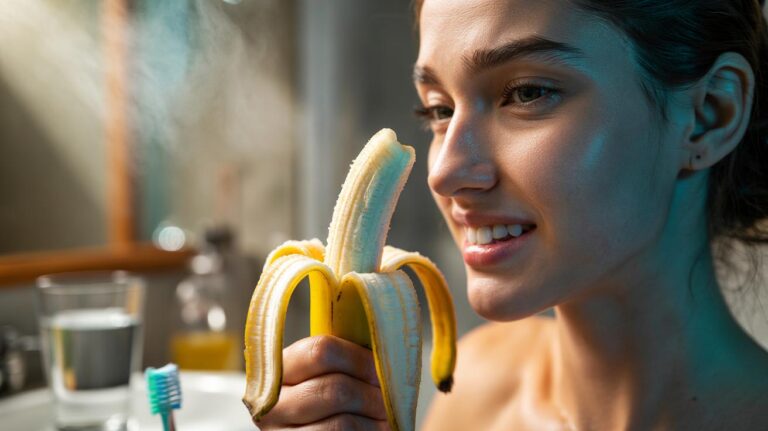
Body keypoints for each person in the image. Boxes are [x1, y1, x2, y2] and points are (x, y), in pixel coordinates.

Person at [256, 0, 768, 429]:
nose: (444, 171)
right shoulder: (475, 391)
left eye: (527, 93)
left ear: (708, 115)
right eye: (439, 109)